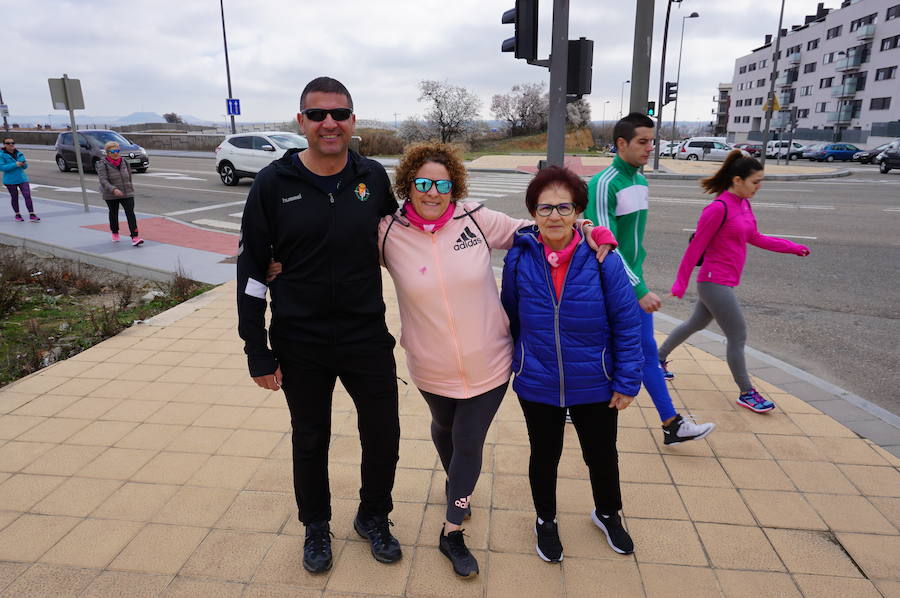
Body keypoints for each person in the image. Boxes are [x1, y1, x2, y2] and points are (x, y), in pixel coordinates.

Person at [267, 142, 616, 577]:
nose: (433, 193)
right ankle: (458, 484)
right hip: (430, 366)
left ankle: (453, 528)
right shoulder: (386, 232)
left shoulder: (476, 218)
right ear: (407, 185)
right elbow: (334, 253)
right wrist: (280, 264)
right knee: (444, 429)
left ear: (455, 187)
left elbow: (539, 227)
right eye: (423, 183)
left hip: (490, 360)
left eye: (443, 185)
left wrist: (587, 227)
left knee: (467, 443)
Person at [237, 77, 403, 575]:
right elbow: (252, 272)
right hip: (300, 338)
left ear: (353, 120)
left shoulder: (372, 176)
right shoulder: (273, 184)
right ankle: (315, 525)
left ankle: (374, 516)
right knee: (310, 438)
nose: (329, 123)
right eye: (317, 115)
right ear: (301, 121)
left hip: (365, 334)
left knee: (384, 433)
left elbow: (405, 238)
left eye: (339, 113)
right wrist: (256, 350)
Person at [501, 166, 643, 561]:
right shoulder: (519, 257)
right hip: (538, 378)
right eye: (545, 208)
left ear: (578, 211)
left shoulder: (602, 258)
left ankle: (608, 513)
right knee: (544, 455)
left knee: (601, 453)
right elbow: (511, 313)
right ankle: (545, 520)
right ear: (533, 213)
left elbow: (626, 322)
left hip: (595, 379)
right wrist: (522, 360)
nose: (554, 216)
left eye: (564, 207)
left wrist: (627, 380)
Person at [586, 113, 715, 445]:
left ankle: (672, 423)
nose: (650, 147)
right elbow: (606, 249)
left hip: (631, 282)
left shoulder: (641, 182)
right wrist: (639, 289)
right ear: (621, 143)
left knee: (643, 351)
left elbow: (632, 246)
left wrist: (638, 282)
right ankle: (576, 403)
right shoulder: (604, 184)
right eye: (642, 141)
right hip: (608, 286)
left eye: (651, 141)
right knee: (601, 350)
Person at [659, 151, 810, 413]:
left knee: (695, 323)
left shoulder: (744, 204)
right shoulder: (718, 208)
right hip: (713, 281)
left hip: (724, 281)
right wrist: (680, 284)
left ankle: (656, 359)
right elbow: (695, 249)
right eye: (755, 182)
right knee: (737, 334)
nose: (758, 187)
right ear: (737, 180)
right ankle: (747, 392)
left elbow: (756, 237)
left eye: (761, 181)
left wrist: (792, 247)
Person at [96, 141, 142, 246]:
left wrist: (130, 188)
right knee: (113, 212)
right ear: (108, 153)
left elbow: (129, 176)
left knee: (130, 213)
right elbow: (103, 180)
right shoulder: (102, 164)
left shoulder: (124, 162)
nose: (116, 153)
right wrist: (113, 189)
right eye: (113, 151)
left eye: (117, 150)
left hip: (127, 192)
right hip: (110, 194)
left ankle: (135, 237)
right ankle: (115, 232)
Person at [1, 138, 40, 222]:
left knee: (27, 195)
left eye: (12, 143)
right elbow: (2, 167)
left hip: (22, 179)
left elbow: (25, 167)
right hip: (10, 180)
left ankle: (32, 214)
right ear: (4, 145)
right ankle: (17, 214)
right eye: (8, 143)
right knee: (14, 197)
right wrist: (15, 164)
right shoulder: (1, 155)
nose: (11, 144)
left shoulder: (19, 153)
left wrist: (23, 164)